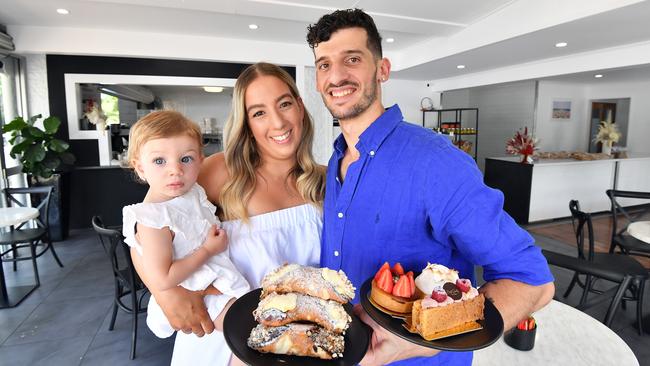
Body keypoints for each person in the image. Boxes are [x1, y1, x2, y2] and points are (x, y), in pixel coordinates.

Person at [306, 9, 555, 366]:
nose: (337, 76)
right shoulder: (335, 161)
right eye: (324, 64)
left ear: (382, 69)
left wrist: (420, 343)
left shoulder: (436, 162)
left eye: (352, 59)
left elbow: (533, 281)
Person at [129, 63, 326, 365]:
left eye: (284, 104)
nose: (277, 122)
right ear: (246, 122)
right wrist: (165, 293)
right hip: (221, 342)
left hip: (300, 344)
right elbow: (146, 228)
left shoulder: (325, 181)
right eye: (259, 112)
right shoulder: (219, 172)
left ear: (300, 106)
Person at [122, 111, 250, 339]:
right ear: (140, 167)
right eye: (159, 161)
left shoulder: (191, 193)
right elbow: (163, 279)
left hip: (213, 280)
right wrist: (208, 250)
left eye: (186, 159)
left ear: (200, 160)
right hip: (194, 292)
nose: (175, 170)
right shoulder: (153, 219)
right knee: (246, 331)